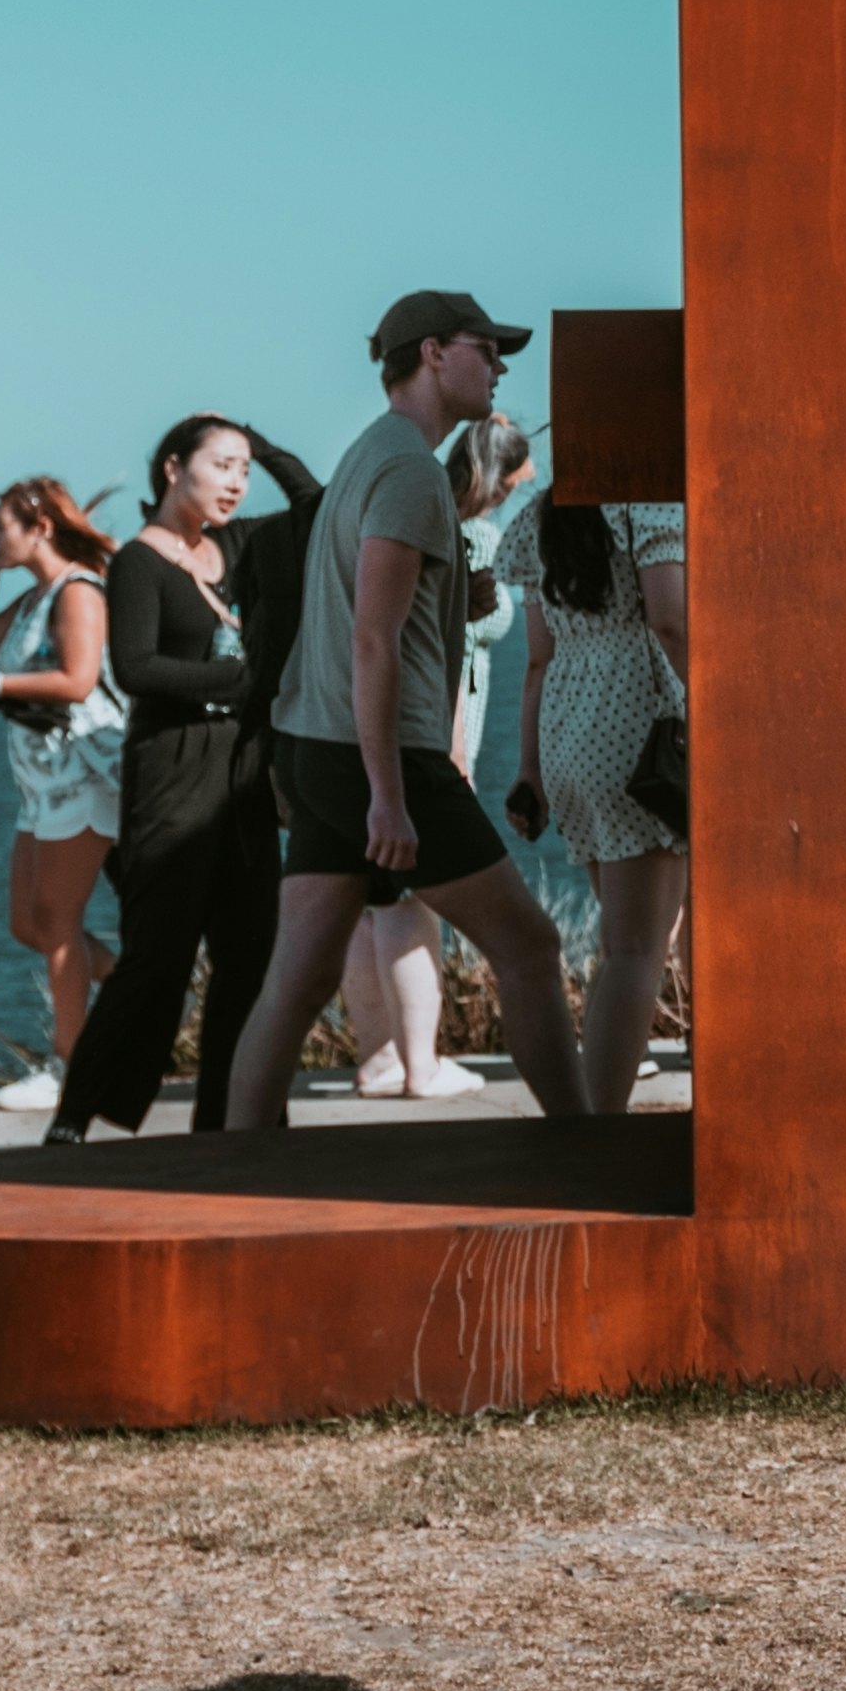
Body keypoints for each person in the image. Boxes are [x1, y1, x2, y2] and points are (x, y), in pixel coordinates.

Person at [220, 295, 595, 1132]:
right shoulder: (408, 472)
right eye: (487, 349)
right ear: (433, 352)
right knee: (531, 948)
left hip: (318, 749)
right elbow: (372, 642)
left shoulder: (368, 455)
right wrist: (388, 794)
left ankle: (235, 1162)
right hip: (378, 758)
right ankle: (584, 1148)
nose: (500, 367)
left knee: (299, 980)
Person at [45, 417, 316, 1143]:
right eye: (221, 464)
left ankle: (233, 1122)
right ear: (173, 469)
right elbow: (135, 668)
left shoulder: (234, 544)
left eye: (245, 468)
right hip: (171, 771)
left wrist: (263, 440)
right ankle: (76, 1117)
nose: (236, 481)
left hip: (244, 775)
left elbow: (314, 507)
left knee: (249, 959)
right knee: (157, 959)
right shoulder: (137, 561)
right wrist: (239, 681)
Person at [340, 416, 537, 1102]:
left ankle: (378, 1055)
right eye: (522, 472)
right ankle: (420, 1061)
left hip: (398, 731)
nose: (530, 481)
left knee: (375, 899)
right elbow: (445, 648)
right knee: (413, 899)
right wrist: (453, 747)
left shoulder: (424, 522)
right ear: (501, 478)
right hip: (440, 735)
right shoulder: (475, 537)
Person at [0, 476, 130, 1118]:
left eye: (1, 527)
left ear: (39, 527)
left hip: (85, 775)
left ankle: (70, 1067)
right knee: (30, 923)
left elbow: (76, 679)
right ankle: (140, 990)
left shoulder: (78, 590)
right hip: (41, 781)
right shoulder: (35, 595)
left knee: (58, 920)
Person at [500, 487, 691, 1114]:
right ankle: (598, 1128)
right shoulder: (648, 505)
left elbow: (536, 658)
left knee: (621, 943)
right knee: (638, 950)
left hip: (568, 731)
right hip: (638, 723)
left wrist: (529, 768)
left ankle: (595, 1112)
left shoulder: (538, 516)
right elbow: (669, 619)